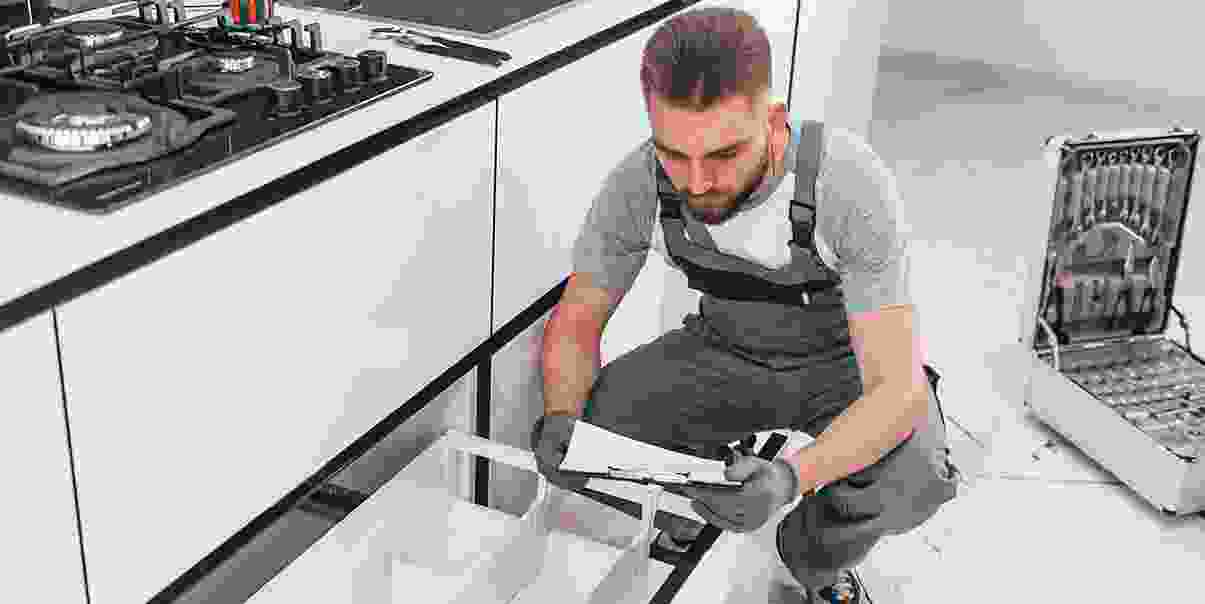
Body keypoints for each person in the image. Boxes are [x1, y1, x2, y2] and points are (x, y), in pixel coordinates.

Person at [530, 7, 959, 603]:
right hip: (723, 351)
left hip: (844, 365)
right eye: (674, 154)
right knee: (594, 434)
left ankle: (812, 556)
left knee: (916, 477)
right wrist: (562, 417)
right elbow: (578, 322)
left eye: (723, 155)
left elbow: (896, 390)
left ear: (774, 121)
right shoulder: (637, 184)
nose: (696, 182)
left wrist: (789, 479)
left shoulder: (847, 182)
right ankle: (692, 521)